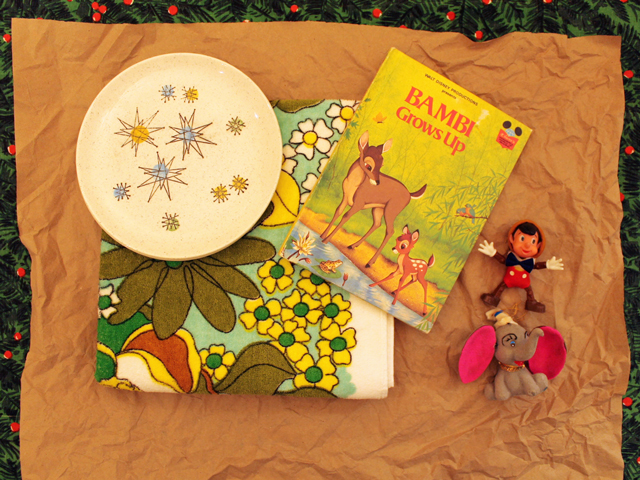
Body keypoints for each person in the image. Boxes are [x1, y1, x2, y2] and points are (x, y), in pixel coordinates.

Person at [478, 220, 563, 313]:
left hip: (524, 281)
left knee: (529, 292)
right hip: (508, 279)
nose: (527, 245)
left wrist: (547, 264)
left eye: (533, 241)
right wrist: (493, 253)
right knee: (501, 287)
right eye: (522, 239)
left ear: (538, 245)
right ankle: (494, 298)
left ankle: (531, 303)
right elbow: (503, 260)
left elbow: (536, 266)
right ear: (512, 239)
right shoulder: (511, 257)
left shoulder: (530, 262)